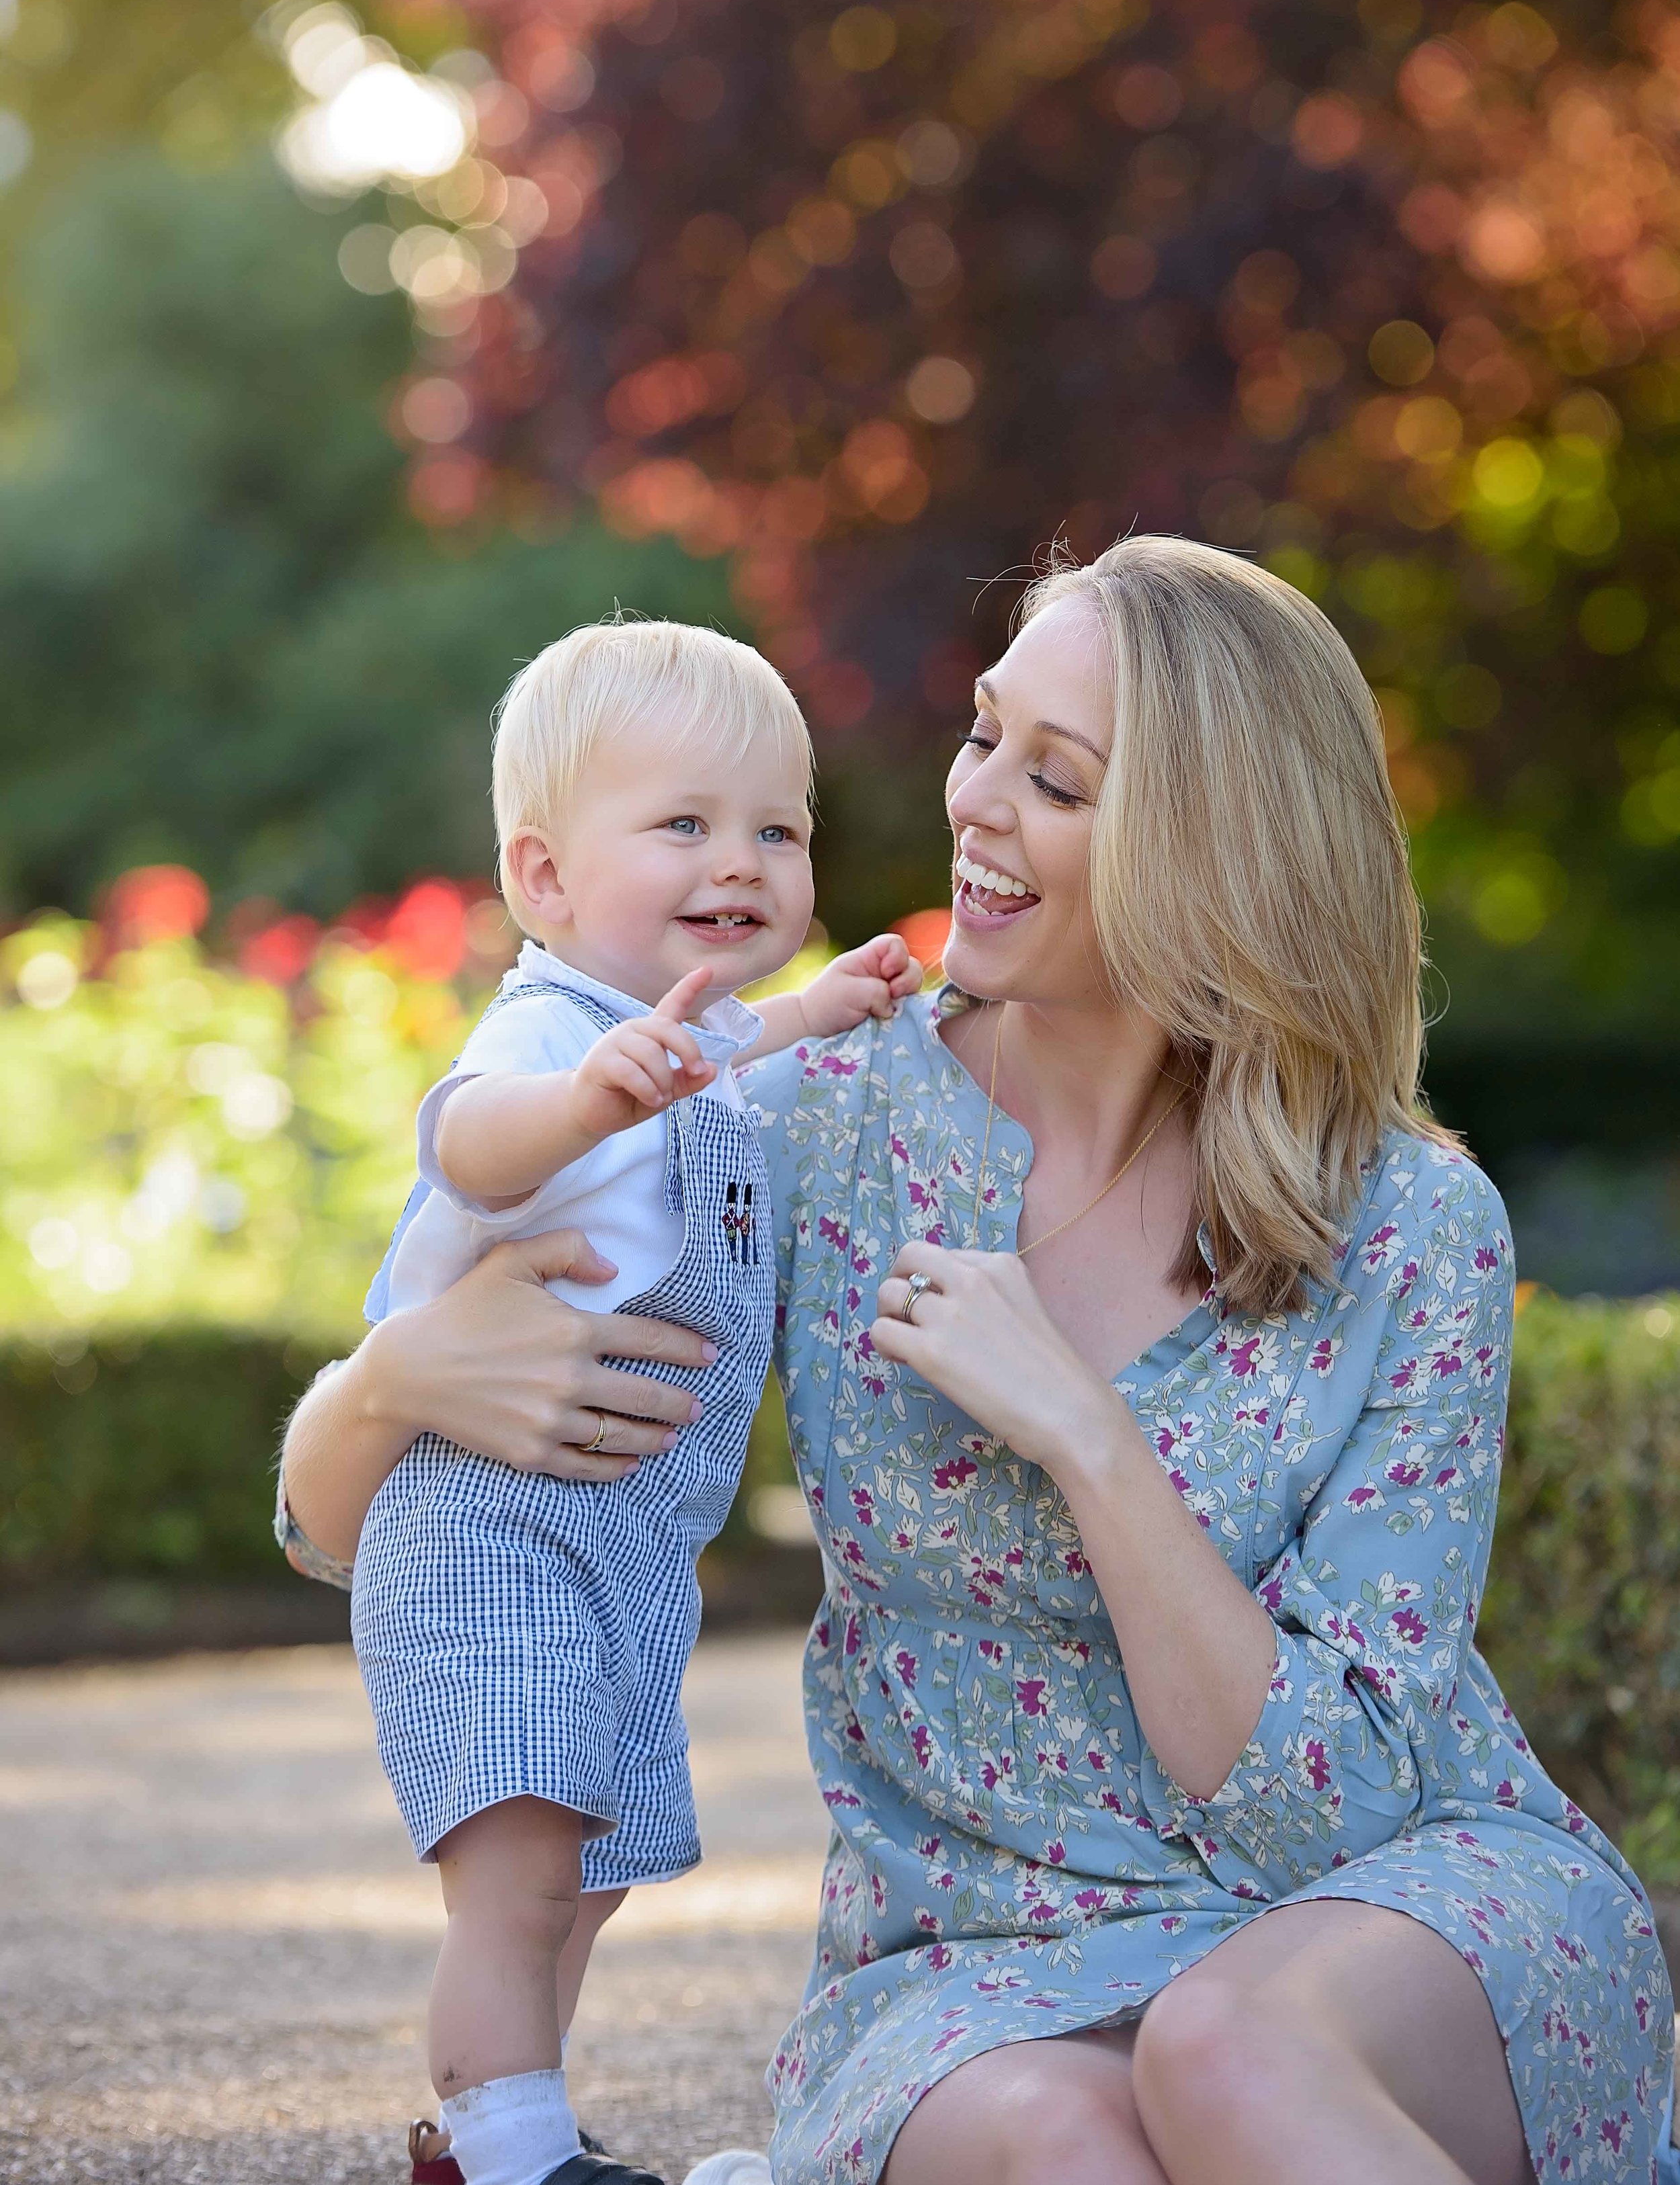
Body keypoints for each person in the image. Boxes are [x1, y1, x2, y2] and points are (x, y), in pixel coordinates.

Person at [280, 541, 1674, 2185]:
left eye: (1056, 779)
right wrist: (392, 1382)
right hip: (971, 1962)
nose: (976, 805)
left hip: (1388, 1912)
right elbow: (339, 1532)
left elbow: (1335, 1803)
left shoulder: (1410, 1223)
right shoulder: (807, 1127)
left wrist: (1088, 1441)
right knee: (1061, 2136)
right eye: (981, 737)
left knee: (1223, 2052)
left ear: (1211, 843)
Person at [338, 617, 921, 2185]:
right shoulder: (551, 1033)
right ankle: (515, 2152)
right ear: (542, 881)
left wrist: (833, 1006)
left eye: (777, 829)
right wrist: (595, 1092)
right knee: (517, 1879)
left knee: (579, 1874)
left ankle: (493, 2126)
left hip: (619, 1548)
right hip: (489, 1527)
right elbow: (465, 1141)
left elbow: (742, 1061)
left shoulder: (688, 1047)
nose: (741, 859)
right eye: (682, 823)